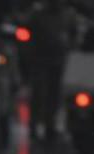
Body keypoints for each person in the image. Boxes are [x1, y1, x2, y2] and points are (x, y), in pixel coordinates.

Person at [28, 0, 78, 142]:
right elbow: (29, 35)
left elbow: (74, 34)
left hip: (59, 60)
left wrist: (70, 48)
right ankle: (34, 125)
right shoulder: (38, 15)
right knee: (39, 93)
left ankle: (50, 125)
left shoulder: (68, 15)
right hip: (41, 60)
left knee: (54, 95)